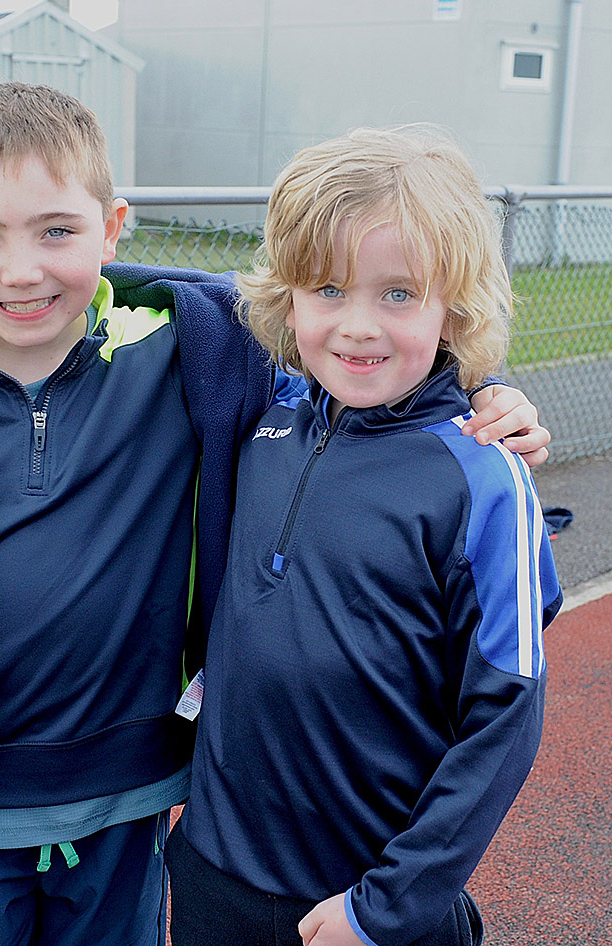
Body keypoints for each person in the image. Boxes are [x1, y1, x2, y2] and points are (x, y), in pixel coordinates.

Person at [0, 83, 549, 946]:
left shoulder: (192, 349)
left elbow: (363, 360)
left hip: (130, 798)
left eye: (56, 231)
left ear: (111, 228)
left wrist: (482, 390)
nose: (21, 270)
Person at [166, 126, 563, 946]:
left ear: (454, 306)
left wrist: (385, 907)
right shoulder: (266, 415)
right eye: (327, 288)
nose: (357, 326)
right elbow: (139, 283)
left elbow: (506, 714)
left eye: (398, 294)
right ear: (287, 296)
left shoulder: (484, 474)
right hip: (213, 872)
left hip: (364, 899)